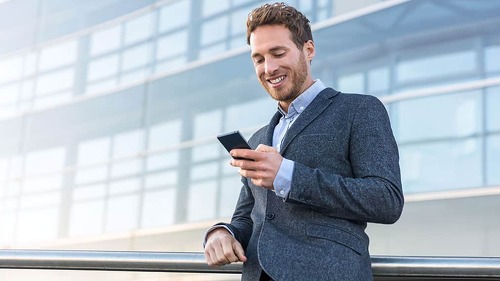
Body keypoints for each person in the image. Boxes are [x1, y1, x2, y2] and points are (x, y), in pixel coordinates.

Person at [203, 2, 404, 280]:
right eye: (259, 59)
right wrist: (221, 232)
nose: (269, 68)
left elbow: (386, 200)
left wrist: (288, 175)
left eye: (278, 53)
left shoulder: (359, 110)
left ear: (308, 50)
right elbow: (248, 217)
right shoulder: (259, 137)